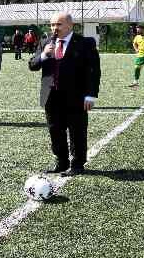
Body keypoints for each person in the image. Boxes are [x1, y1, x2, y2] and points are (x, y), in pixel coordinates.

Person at [29, 13, 100, 177]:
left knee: (77, 130)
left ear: (70, 25)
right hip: (51, 95)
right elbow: (32, 65)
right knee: (55, 130)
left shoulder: (85, 43)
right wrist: (44, 55)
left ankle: (78, 164)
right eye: (52, 25)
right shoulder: (45, 42)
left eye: (59, 24)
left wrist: (91, 95)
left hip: (76, 96)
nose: (55, 28)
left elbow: (93, 71)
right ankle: (61, 162)